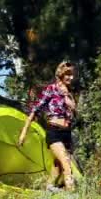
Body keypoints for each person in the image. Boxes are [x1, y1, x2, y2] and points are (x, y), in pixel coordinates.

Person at [18, 61, 78, 191]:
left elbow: (74, 114)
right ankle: (74, 197)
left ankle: (48, 188)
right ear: (61, 74)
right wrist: (23, 133)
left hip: (66, 133)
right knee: (66, 162)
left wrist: (71, 104)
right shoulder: (51, 89)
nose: (71, 77)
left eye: (72, 75)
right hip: (54, 132)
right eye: (68, 74)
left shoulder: (70, 92)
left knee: (58, 166)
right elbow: (35, 110)